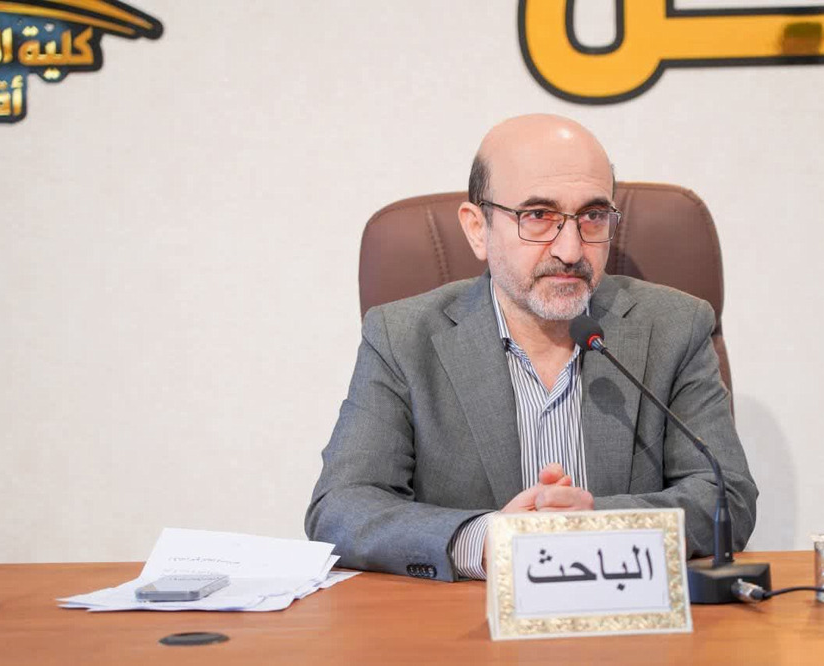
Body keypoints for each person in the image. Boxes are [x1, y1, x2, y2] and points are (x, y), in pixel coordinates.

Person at [305, 114, 757, 581]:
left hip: (627, 608)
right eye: (538, 216)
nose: (570, 250)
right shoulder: (401, 337)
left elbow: (727, 496)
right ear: (477, 228)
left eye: (592, 216)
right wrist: (485, 540)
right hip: (464, 621)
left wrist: (601, 526)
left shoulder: (674, 327)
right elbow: (341, 507)